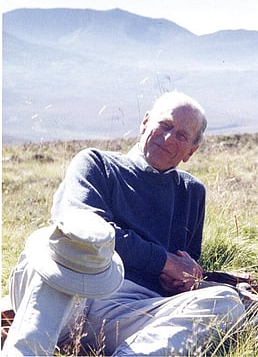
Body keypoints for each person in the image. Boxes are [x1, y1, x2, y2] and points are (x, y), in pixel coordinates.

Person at [3, 91, 245, 356]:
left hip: (129, 312)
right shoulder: (96, 163)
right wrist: (164, 262)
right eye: (165, 125)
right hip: (66, 291)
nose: (168, 138)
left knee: (227, 302)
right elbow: (83, 231)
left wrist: (182, 281)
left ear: (191, 151)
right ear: (145, 122)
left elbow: (182, 267)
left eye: (181, 135)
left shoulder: (191, 191)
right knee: (48, 245)